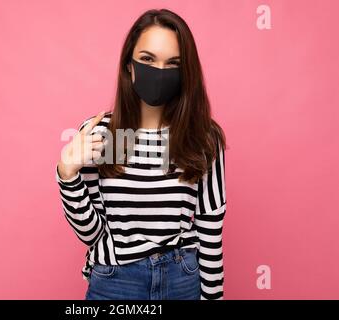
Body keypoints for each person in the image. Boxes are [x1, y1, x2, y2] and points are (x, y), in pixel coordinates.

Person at [55, 8, 227, 300]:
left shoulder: (202, 135)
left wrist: (213, 297)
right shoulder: (100, 134)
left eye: (172, 64)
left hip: (181, 279)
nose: (158, 72)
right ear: (129, 66)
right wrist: (67, 174)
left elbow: (210, 225)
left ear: (186, 74)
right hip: (115, 280)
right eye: (147, 59)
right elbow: (92, 234)